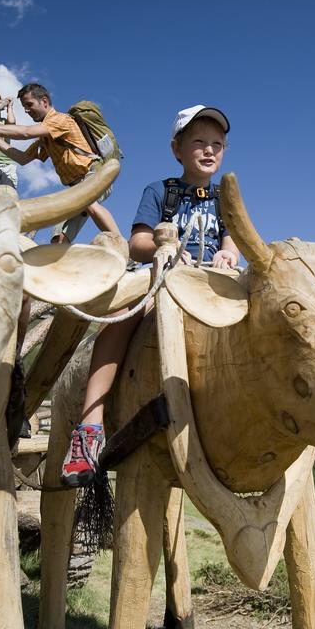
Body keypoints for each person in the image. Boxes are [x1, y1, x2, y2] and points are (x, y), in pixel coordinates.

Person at [61, 105, 239, 486]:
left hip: (212, 279)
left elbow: (232, 240)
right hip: (164, 275)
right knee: (125, 312)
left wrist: (228, 254)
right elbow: (137, 241)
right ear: (177, 149)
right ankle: (90, 426)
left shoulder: (226, 196)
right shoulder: (160, 191)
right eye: (199, 143)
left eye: (217, 144)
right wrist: (164, 249)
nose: (209, 151)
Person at [0, 83, 119, 242]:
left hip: (94, 173)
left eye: (29, 104)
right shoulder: (46, 136)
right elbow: (22, 158)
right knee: (59, 239)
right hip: (76, 187)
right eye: (24, 107)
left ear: (45, 101)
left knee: (89, 203)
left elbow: (26, 132)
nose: (26, 110)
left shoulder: (59, 120)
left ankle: (127, 253)